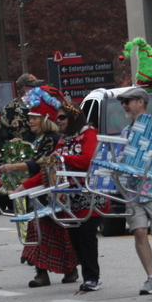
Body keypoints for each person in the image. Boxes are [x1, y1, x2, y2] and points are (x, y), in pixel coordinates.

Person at [19, 99, 106, 292]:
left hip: (89, 195)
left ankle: (92, 278)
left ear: (73, 117)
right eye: (57, 118)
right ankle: (87, 275)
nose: (58, 121)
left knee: (87, 237)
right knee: (75, 238)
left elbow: (87, 160)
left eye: (62, 117)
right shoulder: (63, 140)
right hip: (69, 198)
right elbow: (50, 170)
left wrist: (62, 158)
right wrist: (24, 186)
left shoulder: (89, 134)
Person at [1, 86, 77, 288]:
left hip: (52, 195)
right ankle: (42, 273)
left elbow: (41, 165)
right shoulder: (39, 139)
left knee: (56, 234)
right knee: (40, 233)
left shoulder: (53, 140)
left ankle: (69, 270)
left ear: (45, 119)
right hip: (38, 195)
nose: (30, 121)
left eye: (34, 118)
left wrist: (14, 167)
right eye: (30, 118)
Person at [116, 87, 152, 295]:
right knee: (139, 232)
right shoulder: (126, 132)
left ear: (141, 102)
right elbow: (120, 158)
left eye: (127, 101)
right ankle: (151, 277)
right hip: (132, 191)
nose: (124, 106)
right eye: (123, 102)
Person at [0, 73, 43, 152]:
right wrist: (12, 146)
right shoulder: (9, 110)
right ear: (25, 89)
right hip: (20, 157)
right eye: (35, 87)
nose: (39, 90)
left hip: (42, 155)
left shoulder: (42, 107)